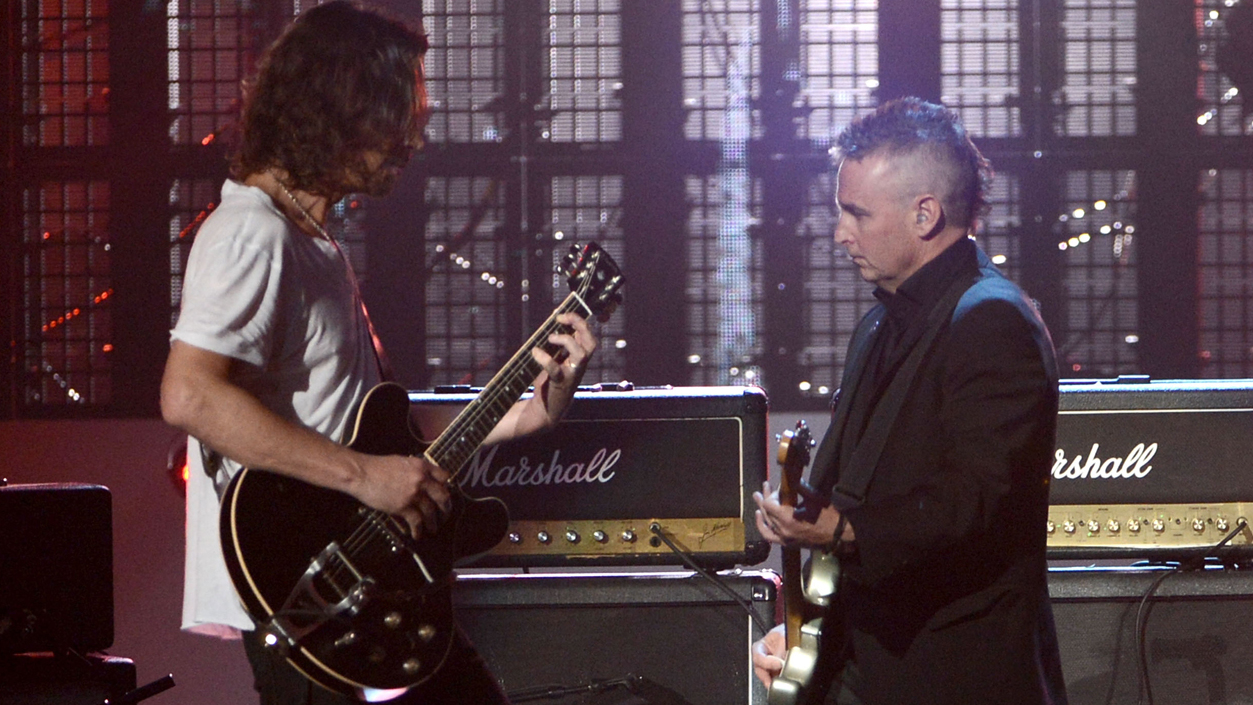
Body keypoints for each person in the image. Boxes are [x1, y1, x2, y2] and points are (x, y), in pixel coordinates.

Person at [159, 3, 596, 703]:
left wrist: (529, 412)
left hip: (363, 581)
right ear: (341, 111)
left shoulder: (312, 241)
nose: (417, 134)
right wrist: (363, 477)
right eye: (403, 112)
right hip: (313, 591)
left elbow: (373, 428)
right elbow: (190, 395)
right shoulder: (251, 235)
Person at [751, 97, 1068, 704]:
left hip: (957, 679)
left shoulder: (992, 320)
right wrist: (804, 635)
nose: (840, 233)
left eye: (857, 214)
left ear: (926, 214)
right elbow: (849, 495)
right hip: (867, 668)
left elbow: (972, 499)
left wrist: (839, 528)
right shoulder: (876, 327)